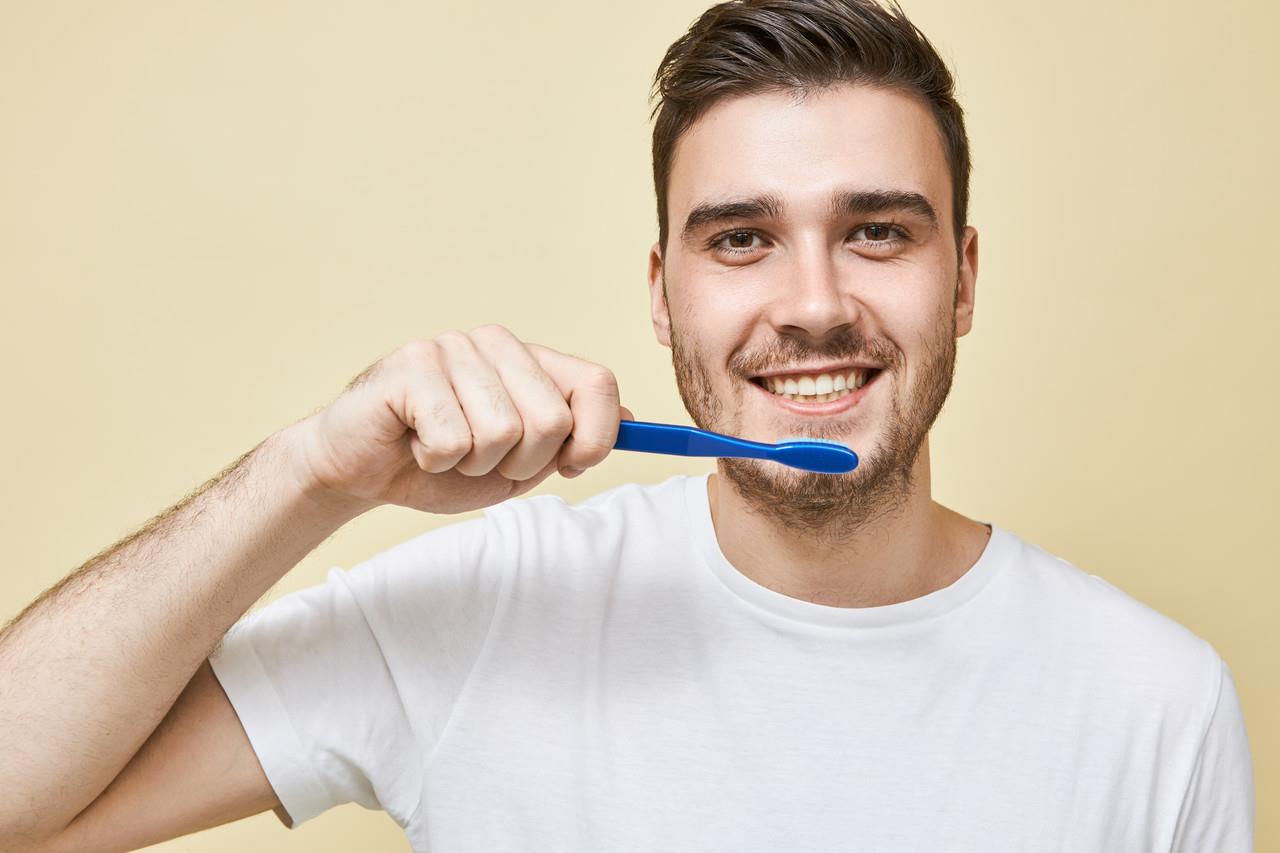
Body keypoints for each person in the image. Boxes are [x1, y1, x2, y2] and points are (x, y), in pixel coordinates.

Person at [0, 0, 1254, 850]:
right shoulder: (479, 610)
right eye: (740, 239)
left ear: (963, 277)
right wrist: (312, 473)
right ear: (663, 294)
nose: (813, 304)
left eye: (876, 230)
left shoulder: (1154, 703)